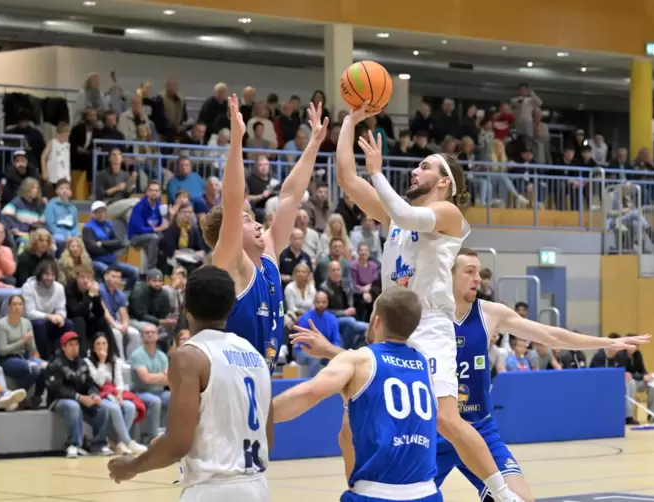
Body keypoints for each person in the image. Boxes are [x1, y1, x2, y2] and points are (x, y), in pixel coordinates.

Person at [336, 101, 520, 501]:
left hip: (429, 327)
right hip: (388, 329)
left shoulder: (448, 214)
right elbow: (347, 180)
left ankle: (502, 493)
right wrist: (349, 121)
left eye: (425, 166)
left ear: (445, 182)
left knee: (447, 419)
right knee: (351, 426)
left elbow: (403, 212)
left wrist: (377, 172)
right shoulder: (396, 219)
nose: (416, 170)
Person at [435, 247, 651, 499]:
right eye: (469, 272)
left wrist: (604, 341)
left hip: (479, 428)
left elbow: (550, 335)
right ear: (448, 275)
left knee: (522, 498)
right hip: (437, 430)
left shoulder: (489, 313)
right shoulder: (429, 315)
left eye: (479, 273)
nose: (477, 279)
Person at [108, 266, 274, 502]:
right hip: (257, 487)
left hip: (212, 489)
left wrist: (132, 466)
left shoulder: (189, 356)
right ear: (230, 307)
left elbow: (177, 445)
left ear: (185, 306)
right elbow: (267, 436)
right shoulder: (256, 356)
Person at [272, 288, 441, 502]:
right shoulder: (425, 366)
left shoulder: (359, 360)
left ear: (376, 321)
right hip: (427, 492)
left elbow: (310, 392)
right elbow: (380, 368)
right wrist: (329, 350)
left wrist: (256, 417)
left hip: (375, 493)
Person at [201, 94, 327, 368]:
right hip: (230, 382)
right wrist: (237, 141)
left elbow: (291, 196)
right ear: (231, 231)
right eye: (246, 221)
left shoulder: (268, 253)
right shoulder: (230, 264)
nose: (258, 223)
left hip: (261, 379)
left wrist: (314, 144)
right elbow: (232, 200)